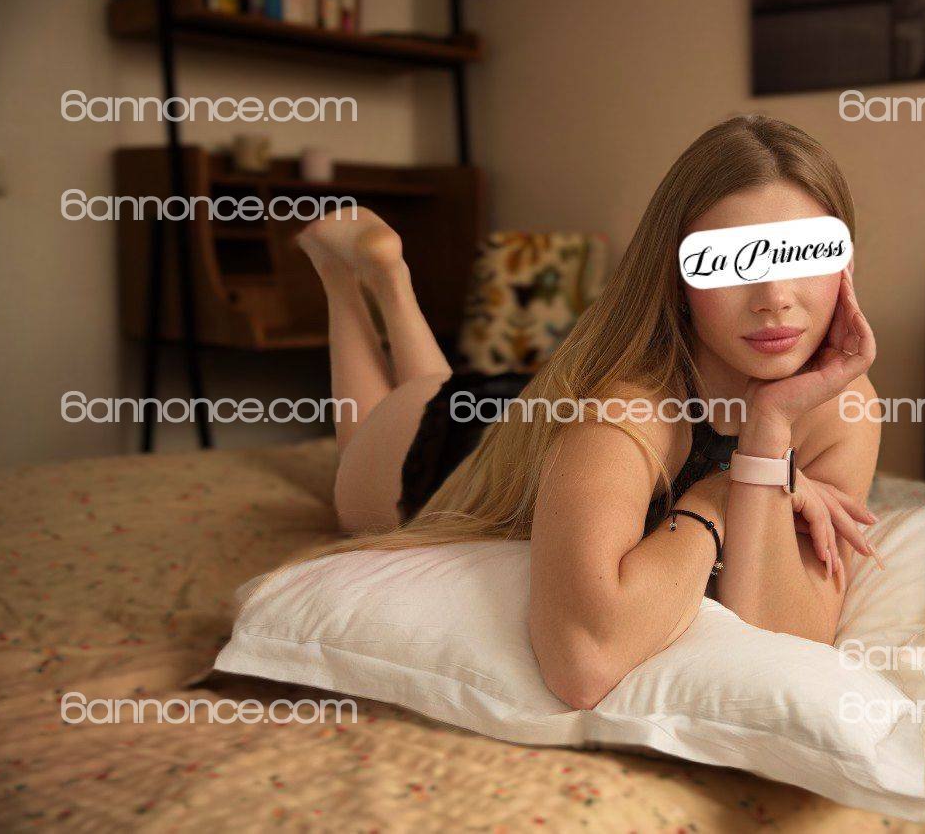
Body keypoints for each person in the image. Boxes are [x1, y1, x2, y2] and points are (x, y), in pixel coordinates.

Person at [296, 114, 881, 710]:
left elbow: (788, 635)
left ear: (846, 265)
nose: (775, 299)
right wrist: (722, 492)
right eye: (736, 262)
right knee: (368, 458)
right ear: (676, 276)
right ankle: (343, 279)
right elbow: (582, 663)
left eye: (804, 255)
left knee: (440, 381)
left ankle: (391, 283)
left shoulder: (843, 407)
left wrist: (769, 428)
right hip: (454, 441)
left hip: (530, 410)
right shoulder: (630, 407)